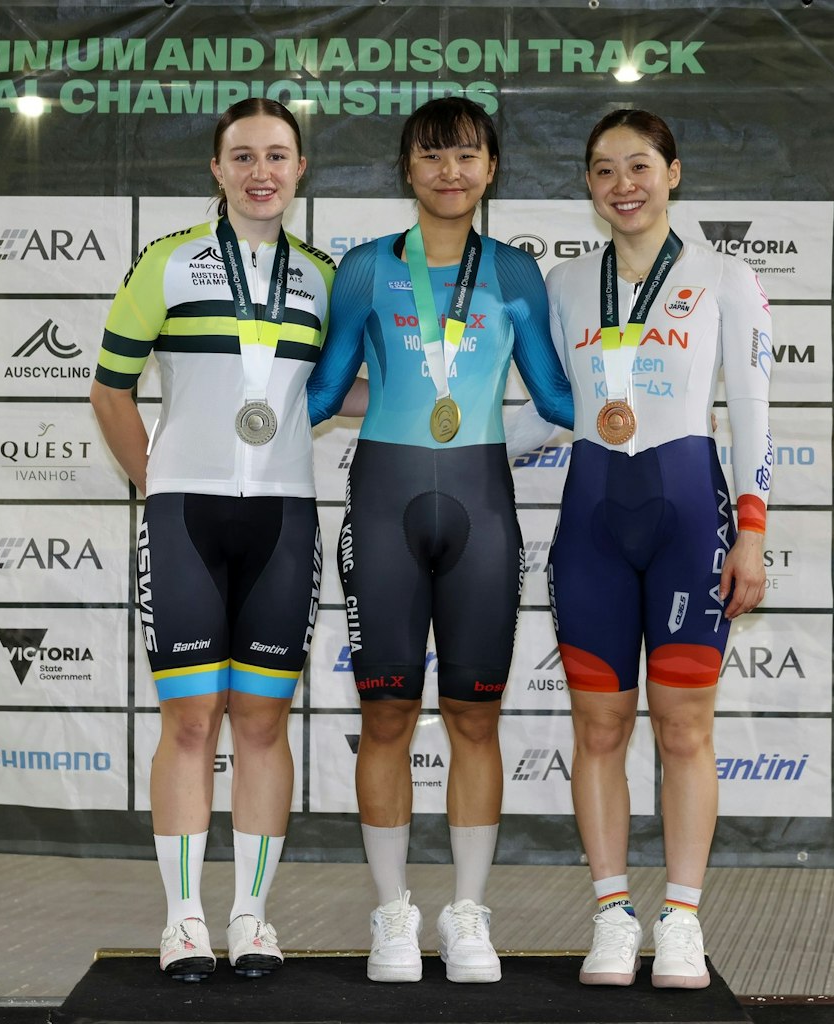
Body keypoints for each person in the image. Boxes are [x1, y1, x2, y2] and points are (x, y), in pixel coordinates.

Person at [308, 96, 574, 984]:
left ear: (491, 167)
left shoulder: (515, 273)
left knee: (474, 715)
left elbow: (557, 399)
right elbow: (317, 394)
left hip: (484, 510)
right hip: (382, 504)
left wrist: (653, 404)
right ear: (407, 171)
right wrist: (228, 414)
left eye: (466, 155)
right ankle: (391, 914)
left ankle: (467, 913)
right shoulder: (363, 271)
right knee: (384, 714)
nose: (450, 171)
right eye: (433, 157)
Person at [90, 98, 335, 982]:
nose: (260, 171)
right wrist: (155, 484)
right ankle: (185, 918)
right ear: (217, 169)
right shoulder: (166, 264)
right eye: (242, 157)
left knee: (264, 723)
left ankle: (252, 918)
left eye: (277, 155)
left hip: (285, 513)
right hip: (186, 515)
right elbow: (111, 391)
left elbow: (340, 386)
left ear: (300, 169)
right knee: (190, 721)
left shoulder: (322, 277)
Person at [543, 109, 772, 989]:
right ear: (589, 187)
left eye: (639, 166)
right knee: (598, 729)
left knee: (684, 730)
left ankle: (680, 914)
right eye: (603, 171)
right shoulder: (565, 286)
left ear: (673, 173)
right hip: (591, 524)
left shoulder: (724, 277)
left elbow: (752, 412)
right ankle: (610, 913)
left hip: (689, 521)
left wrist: (751, 529)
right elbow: (551, 408)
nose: (622, 185)